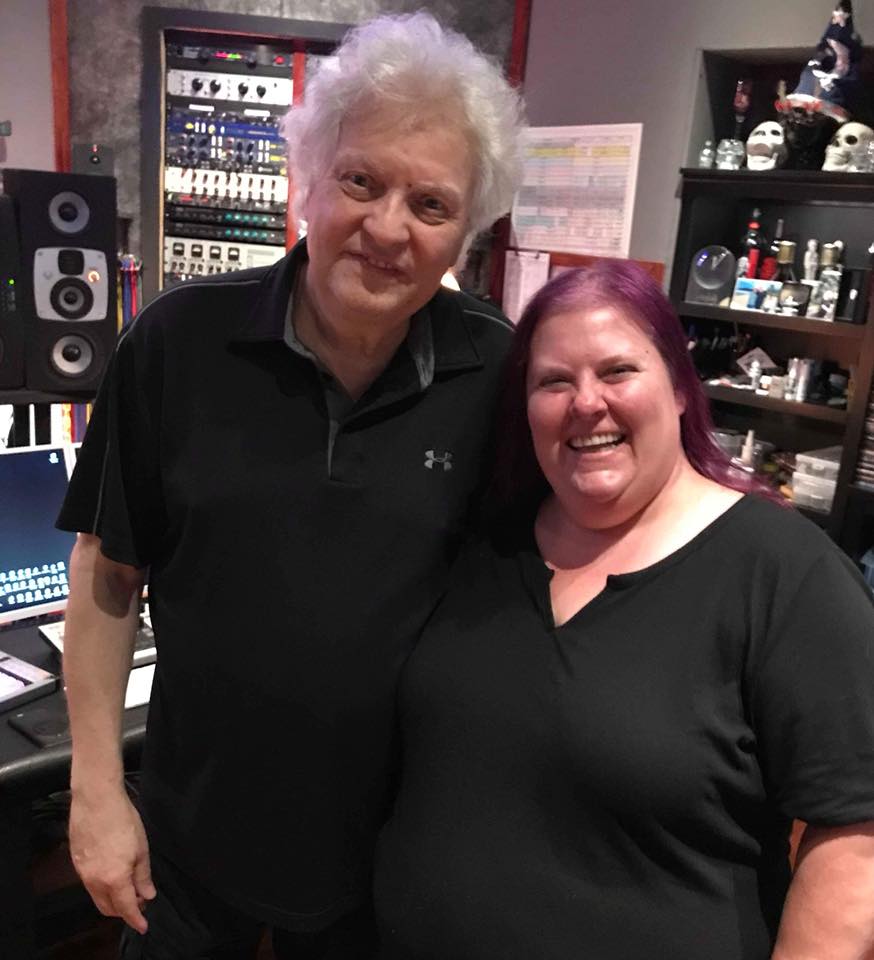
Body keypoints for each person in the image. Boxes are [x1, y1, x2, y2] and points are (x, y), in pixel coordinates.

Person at [57, 12, 524, 958]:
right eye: (361, 181)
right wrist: (96, 791)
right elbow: (108, 574)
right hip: (188, 843)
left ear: (466, 233)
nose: (387, 228)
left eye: (431, 204)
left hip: (396, 862)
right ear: (308, 177)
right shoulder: (176, 344)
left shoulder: (501, 374)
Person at [374, 261, 874, 959]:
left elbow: (855, 838)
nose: (586, 403)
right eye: (554, 381)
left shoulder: (786, 573)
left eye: (618, 371)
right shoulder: (487, 541)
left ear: (679, 386)